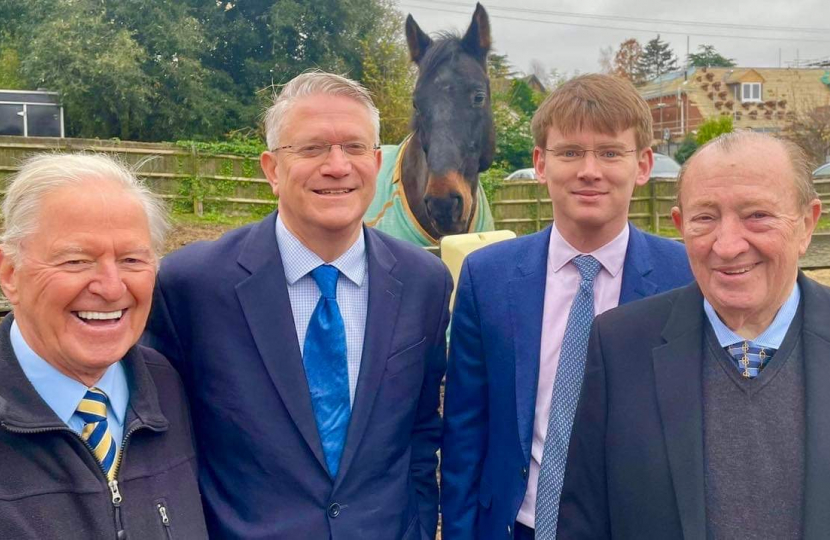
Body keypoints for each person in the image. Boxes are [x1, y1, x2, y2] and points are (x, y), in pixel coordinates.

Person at [143, 71, 451, 539]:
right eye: (311, 148)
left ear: (376, 161)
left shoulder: (423, 282)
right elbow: (165, 444)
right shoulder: (193, 286)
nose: (336, 165)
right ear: (271, 169)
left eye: (353, 147)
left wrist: (420, 524)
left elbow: (421, 431)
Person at [441, 73, 694, 540]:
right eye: (570, 152)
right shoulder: (488, 277)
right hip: (515, 526)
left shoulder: (686, 278)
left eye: (610, 152)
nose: (589, 170)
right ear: (541, 163)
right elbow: (464, 433)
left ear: (642, 165)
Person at [557, 131, 829, 539]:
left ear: (807, 223)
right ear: (681, 226)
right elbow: (585, 521)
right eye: (706, 217)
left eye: (757, 215)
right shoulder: (619, 346)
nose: (728, 245)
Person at [0, 154, 207, 538]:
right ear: (10, 273)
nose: (112, 288)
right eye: (77, 260)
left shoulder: (170, 389)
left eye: (131, 259)